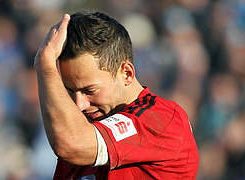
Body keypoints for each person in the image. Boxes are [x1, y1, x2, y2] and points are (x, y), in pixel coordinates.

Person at [34, 11, 199, 180]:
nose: (79, 104)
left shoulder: (164, 119)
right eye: (70, 91)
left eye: (90, 91)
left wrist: (45, 65)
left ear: (126, 73)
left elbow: (71, 144)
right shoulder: (84, 131)